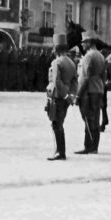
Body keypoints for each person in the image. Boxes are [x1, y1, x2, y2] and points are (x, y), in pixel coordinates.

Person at [45, 33, 78, 161]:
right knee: (60, 123)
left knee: (56, 124)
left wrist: (64, 95)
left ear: (57, 49)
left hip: (57, 96)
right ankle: (60, 151)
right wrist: (72, 95)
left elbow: (57, 81)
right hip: (65, 97)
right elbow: (75, 81)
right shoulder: (71, 62)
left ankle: (60, 152)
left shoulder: (56, 62)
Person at [75, 32, 106, 155]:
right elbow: (104, 75)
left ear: (89, 43)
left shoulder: (88, 56)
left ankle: (89, 146)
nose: (82, 45)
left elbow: (85, 77)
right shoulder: (100, 55)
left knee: (88, 118)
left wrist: (78, 94)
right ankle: (94, 146)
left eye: (84, 42)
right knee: (95, 117)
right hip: (98, 89)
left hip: (89, 91)